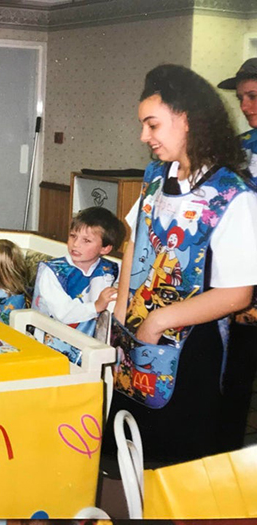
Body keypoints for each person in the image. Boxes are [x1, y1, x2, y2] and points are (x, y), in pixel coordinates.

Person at [106, 64, 257, 468]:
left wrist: (158, 322)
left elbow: (237, 293)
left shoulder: (232, 194)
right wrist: (121, 315)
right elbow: (133, 245)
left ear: (187, 118)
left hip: (192, 349)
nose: (144, 137)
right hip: (137, 335)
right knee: (130, 446)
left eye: (152, 125)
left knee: (175, 459)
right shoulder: (156, 177)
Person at [216, 58, 257, 451]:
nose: (245, 106)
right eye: (241, 97)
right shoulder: (239, 149)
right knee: (235, 372)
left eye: (253, 96)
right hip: (243, 275)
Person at [32, 207, 124, 364]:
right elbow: (63, 313)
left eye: (86, 241)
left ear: (105, 248)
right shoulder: (53, 271)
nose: (75, 244)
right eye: (73, 236)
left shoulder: (110, 269)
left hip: (90, 345)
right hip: (50, 343)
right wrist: (96, 306)